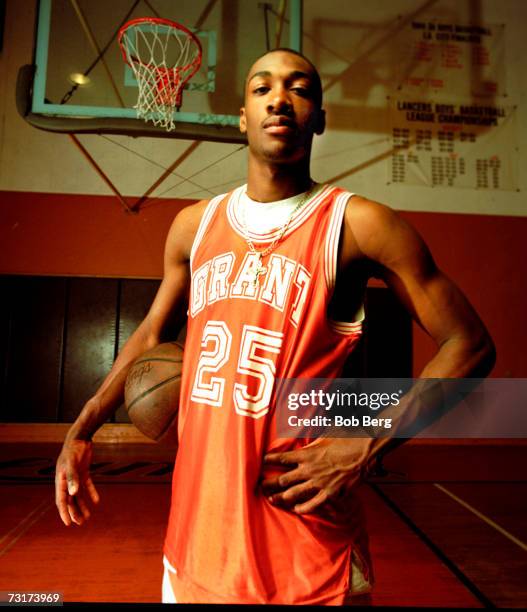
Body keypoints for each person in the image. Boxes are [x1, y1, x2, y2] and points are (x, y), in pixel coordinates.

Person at [55, 48, 496, 605]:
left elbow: (471, 345)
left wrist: (367, 439)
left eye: (299, 88)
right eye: (261, 88)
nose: (279, 99)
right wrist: (83, 426)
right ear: (242, 116)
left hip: (304, 547)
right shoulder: (193, 227)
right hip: (196, 543)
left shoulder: (360, 225)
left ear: (320, 116)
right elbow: (148, 337)